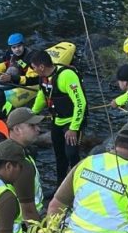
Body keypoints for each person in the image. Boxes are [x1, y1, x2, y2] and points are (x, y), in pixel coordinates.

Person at [29, 47, 86, 185]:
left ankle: (78, 186)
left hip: (72, 122)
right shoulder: (43, 78)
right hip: (57, 121)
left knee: (72, 155)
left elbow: (81, 103)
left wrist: (73, 128)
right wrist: (30, 115)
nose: (33, 71)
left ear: (42, 67)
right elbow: (42, 96)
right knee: (59, 157)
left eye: (34, 67)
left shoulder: (67, 76)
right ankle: (60, 187)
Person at [7, 108, 45, 222]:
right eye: (32, 126)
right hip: (23, 226)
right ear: (17, 129)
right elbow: (27, 210)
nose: (38, 129)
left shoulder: (18, 152)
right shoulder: (18, 163)